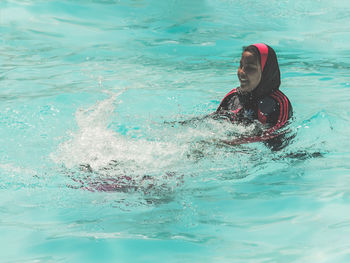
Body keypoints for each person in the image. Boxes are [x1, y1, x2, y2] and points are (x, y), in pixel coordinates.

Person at [214, 43, 293, 149]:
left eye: (250, 68)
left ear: (265, 71)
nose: (242, 72)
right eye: (241, 65)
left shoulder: (279, 103)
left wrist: (233, 143)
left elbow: (276, 134)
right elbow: (213, 121)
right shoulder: (233, 97)